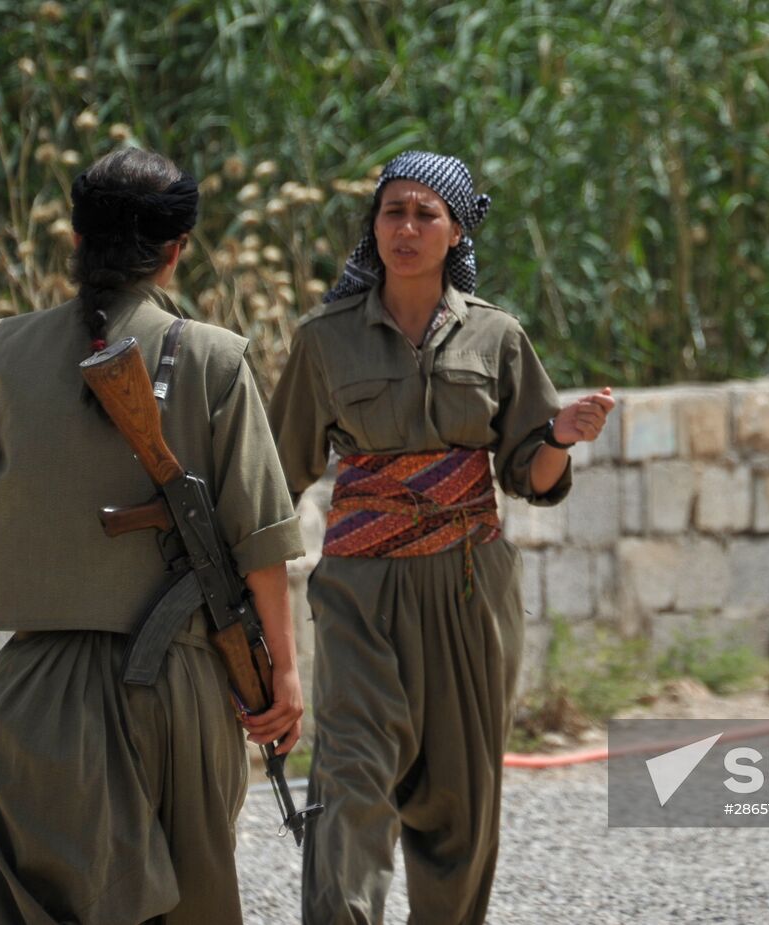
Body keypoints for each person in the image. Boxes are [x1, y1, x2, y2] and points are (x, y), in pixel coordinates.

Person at [0, 146, 306, 925]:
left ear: (77, 241)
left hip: (29, 693)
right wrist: (281, 672)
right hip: (176, 689)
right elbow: (262, 541)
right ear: (177, 250)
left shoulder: (4, 350)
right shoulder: (213, 358)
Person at [270, 150, 614, 924]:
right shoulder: (324, 340)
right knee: (351, 778)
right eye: (393, 211)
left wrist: (560, 435)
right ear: (373, 226)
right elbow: (277, 471)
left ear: (457, 231)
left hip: (469, 587)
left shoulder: (497, 336)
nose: (407, 228)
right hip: (359, 589)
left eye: (426, 214)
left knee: (462, 800)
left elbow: (531, 475)